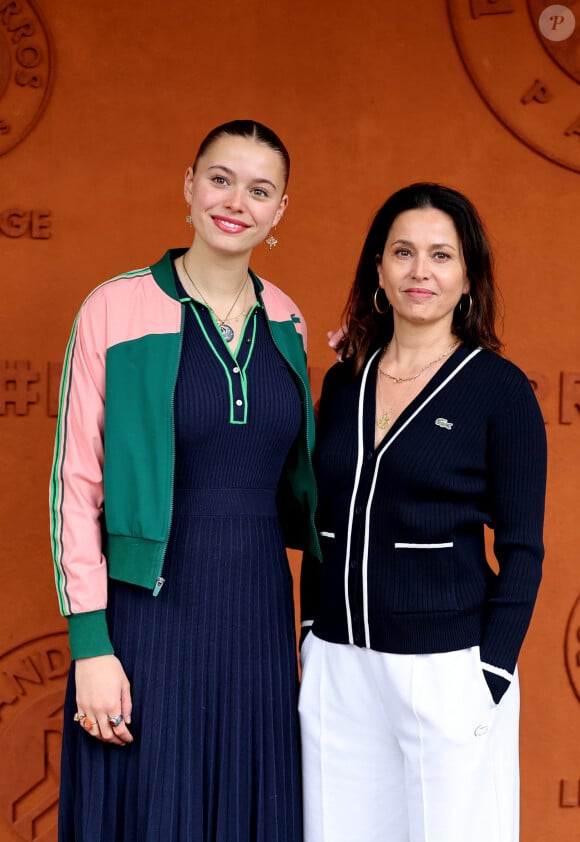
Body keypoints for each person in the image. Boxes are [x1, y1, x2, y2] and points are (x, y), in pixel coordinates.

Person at [49, 119, 321, 842]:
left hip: (259, 613)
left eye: (260, 190)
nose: (237, 201)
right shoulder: (115, 307)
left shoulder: (289, 318)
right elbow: (76, 485)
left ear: (280, 212)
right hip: (147, 614)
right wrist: (90, 646)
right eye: (221, 179)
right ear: (190, 187)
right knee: (150, 809)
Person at [298, 183, 547, 842]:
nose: (420, 271)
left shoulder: (499, 389)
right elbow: (324, 519)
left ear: (468, 276)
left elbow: (523, 548)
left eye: (441, 255)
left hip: (447, 669)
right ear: (378, 268)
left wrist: (490, 672)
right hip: (337, 666)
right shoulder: (343, 380)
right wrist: (307, 631)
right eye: (403, 252)